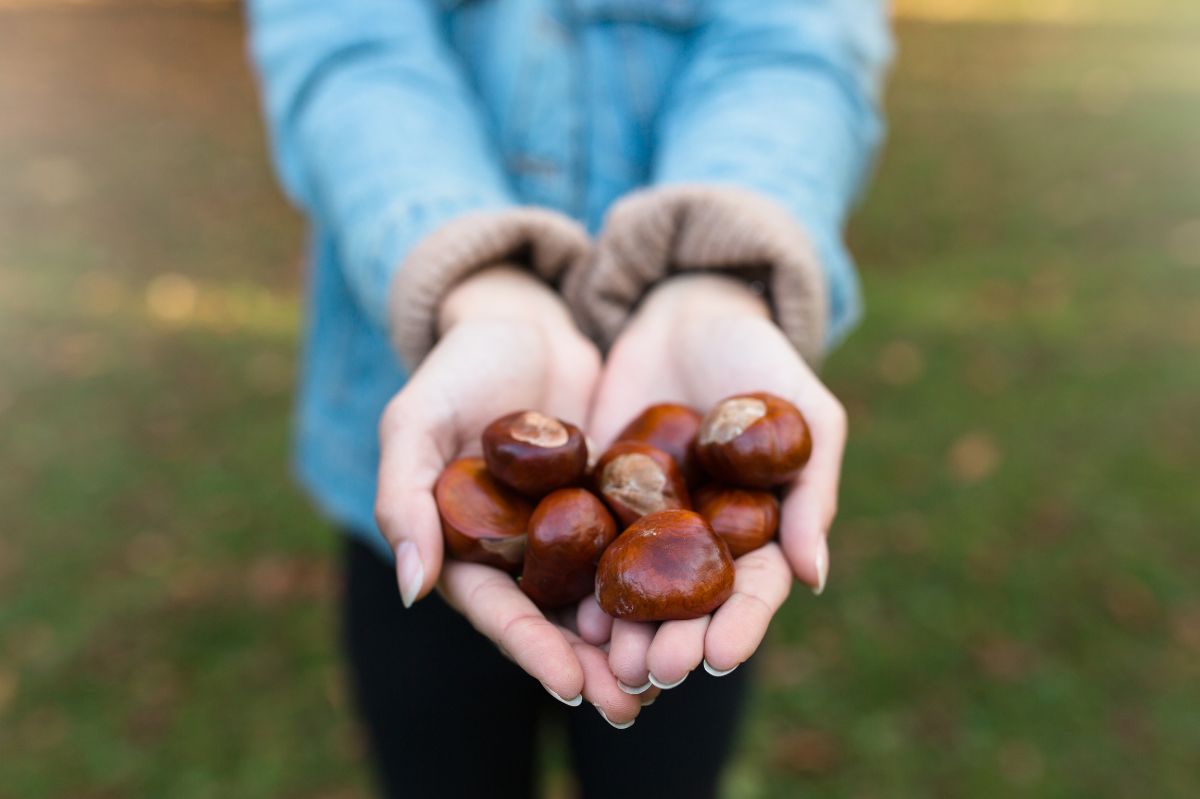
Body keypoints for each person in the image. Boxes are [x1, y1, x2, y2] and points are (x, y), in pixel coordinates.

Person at [247, 1, 891, 796]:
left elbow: (797, 42)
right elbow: (347, 48)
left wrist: (715, 268)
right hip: (428, 434)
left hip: (658, 432)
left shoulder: (680, 503)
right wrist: (473, 276)